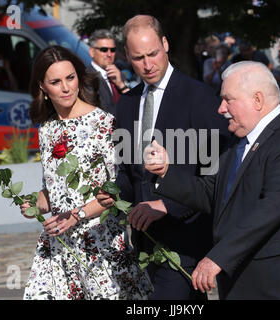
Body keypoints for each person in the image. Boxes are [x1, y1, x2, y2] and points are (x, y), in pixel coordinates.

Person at [143, 61, 280, 300]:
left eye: (228, 99)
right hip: (243, 283)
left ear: (257, 100)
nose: (221, 108)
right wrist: (166, 172)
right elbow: (213, 193)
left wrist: (217, 257)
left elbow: (269, 211)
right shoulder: (237, 142)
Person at [96, 15, 230, 300]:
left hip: (187, 240)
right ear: (126, 57)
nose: (148, 64)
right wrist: (113, 193)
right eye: (138, 57)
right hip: (145, 243)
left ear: (165, 44)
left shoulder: (200, 96)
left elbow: (215, 172)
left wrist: (168, 204)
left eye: (153, 54)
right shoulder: (128, 104)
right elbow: (128, 172)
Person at [21, 45, 152, 300]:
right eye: (56, 82)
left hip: (100, 243)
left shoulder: (104, 123)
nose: (66, 87)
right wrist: (34, 204)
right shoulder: (46, 129)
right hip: (60, 247)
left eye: (70, 78)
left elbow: (116, 189)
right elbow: (55, 191)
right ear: (42, 87)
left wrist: (77, 215)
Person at [88, 29, 129, 116]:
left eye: (113, 50)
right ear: (92, 52)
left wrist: (121, 85)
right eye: (104, 50)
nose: (109, 54)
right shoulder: (87, 79)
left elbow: (134, 105)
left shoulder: (119, 75)